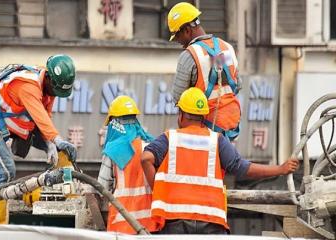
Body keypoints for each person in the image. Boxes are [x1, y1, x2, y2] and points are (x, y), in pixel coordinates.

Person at [141, 87, 299, 234]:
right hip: (211, 221)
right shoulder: (216, 140)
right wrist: (280, 169)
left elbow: (146, 158)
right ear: (203, 117)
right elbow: (242, 168)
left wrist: (158, 188)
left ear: (181, 114)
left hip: (174, 219)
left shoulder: (170, 137)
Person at [0, 54, 77, 223]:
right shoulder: (28, 85)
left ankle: (71, 187)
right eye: (55, 90)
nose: (54, 94)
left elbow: (45, 119)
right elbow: (39, 115)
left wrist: (51, 145)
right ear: (48, 77)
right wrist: (55, 139)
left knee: (59, 148)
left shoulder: (50, 87)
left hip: (8, 119)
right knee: (5, 171)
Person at [168, 2, 241, 141]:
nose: (177, 40)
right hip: (230, 124)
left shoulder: (189, 55)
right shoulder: (225, 48)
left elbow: (178, 98)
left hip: (205, 127)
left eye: (177, 35)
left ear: (187, 30)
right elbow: (236, 85)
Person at [96, 96, 162, 234]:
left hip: (122, 225)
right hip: (150, 224)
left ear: (114, 123)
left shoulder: (112, 152)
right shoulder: (150, 147)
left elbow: (101, 188)